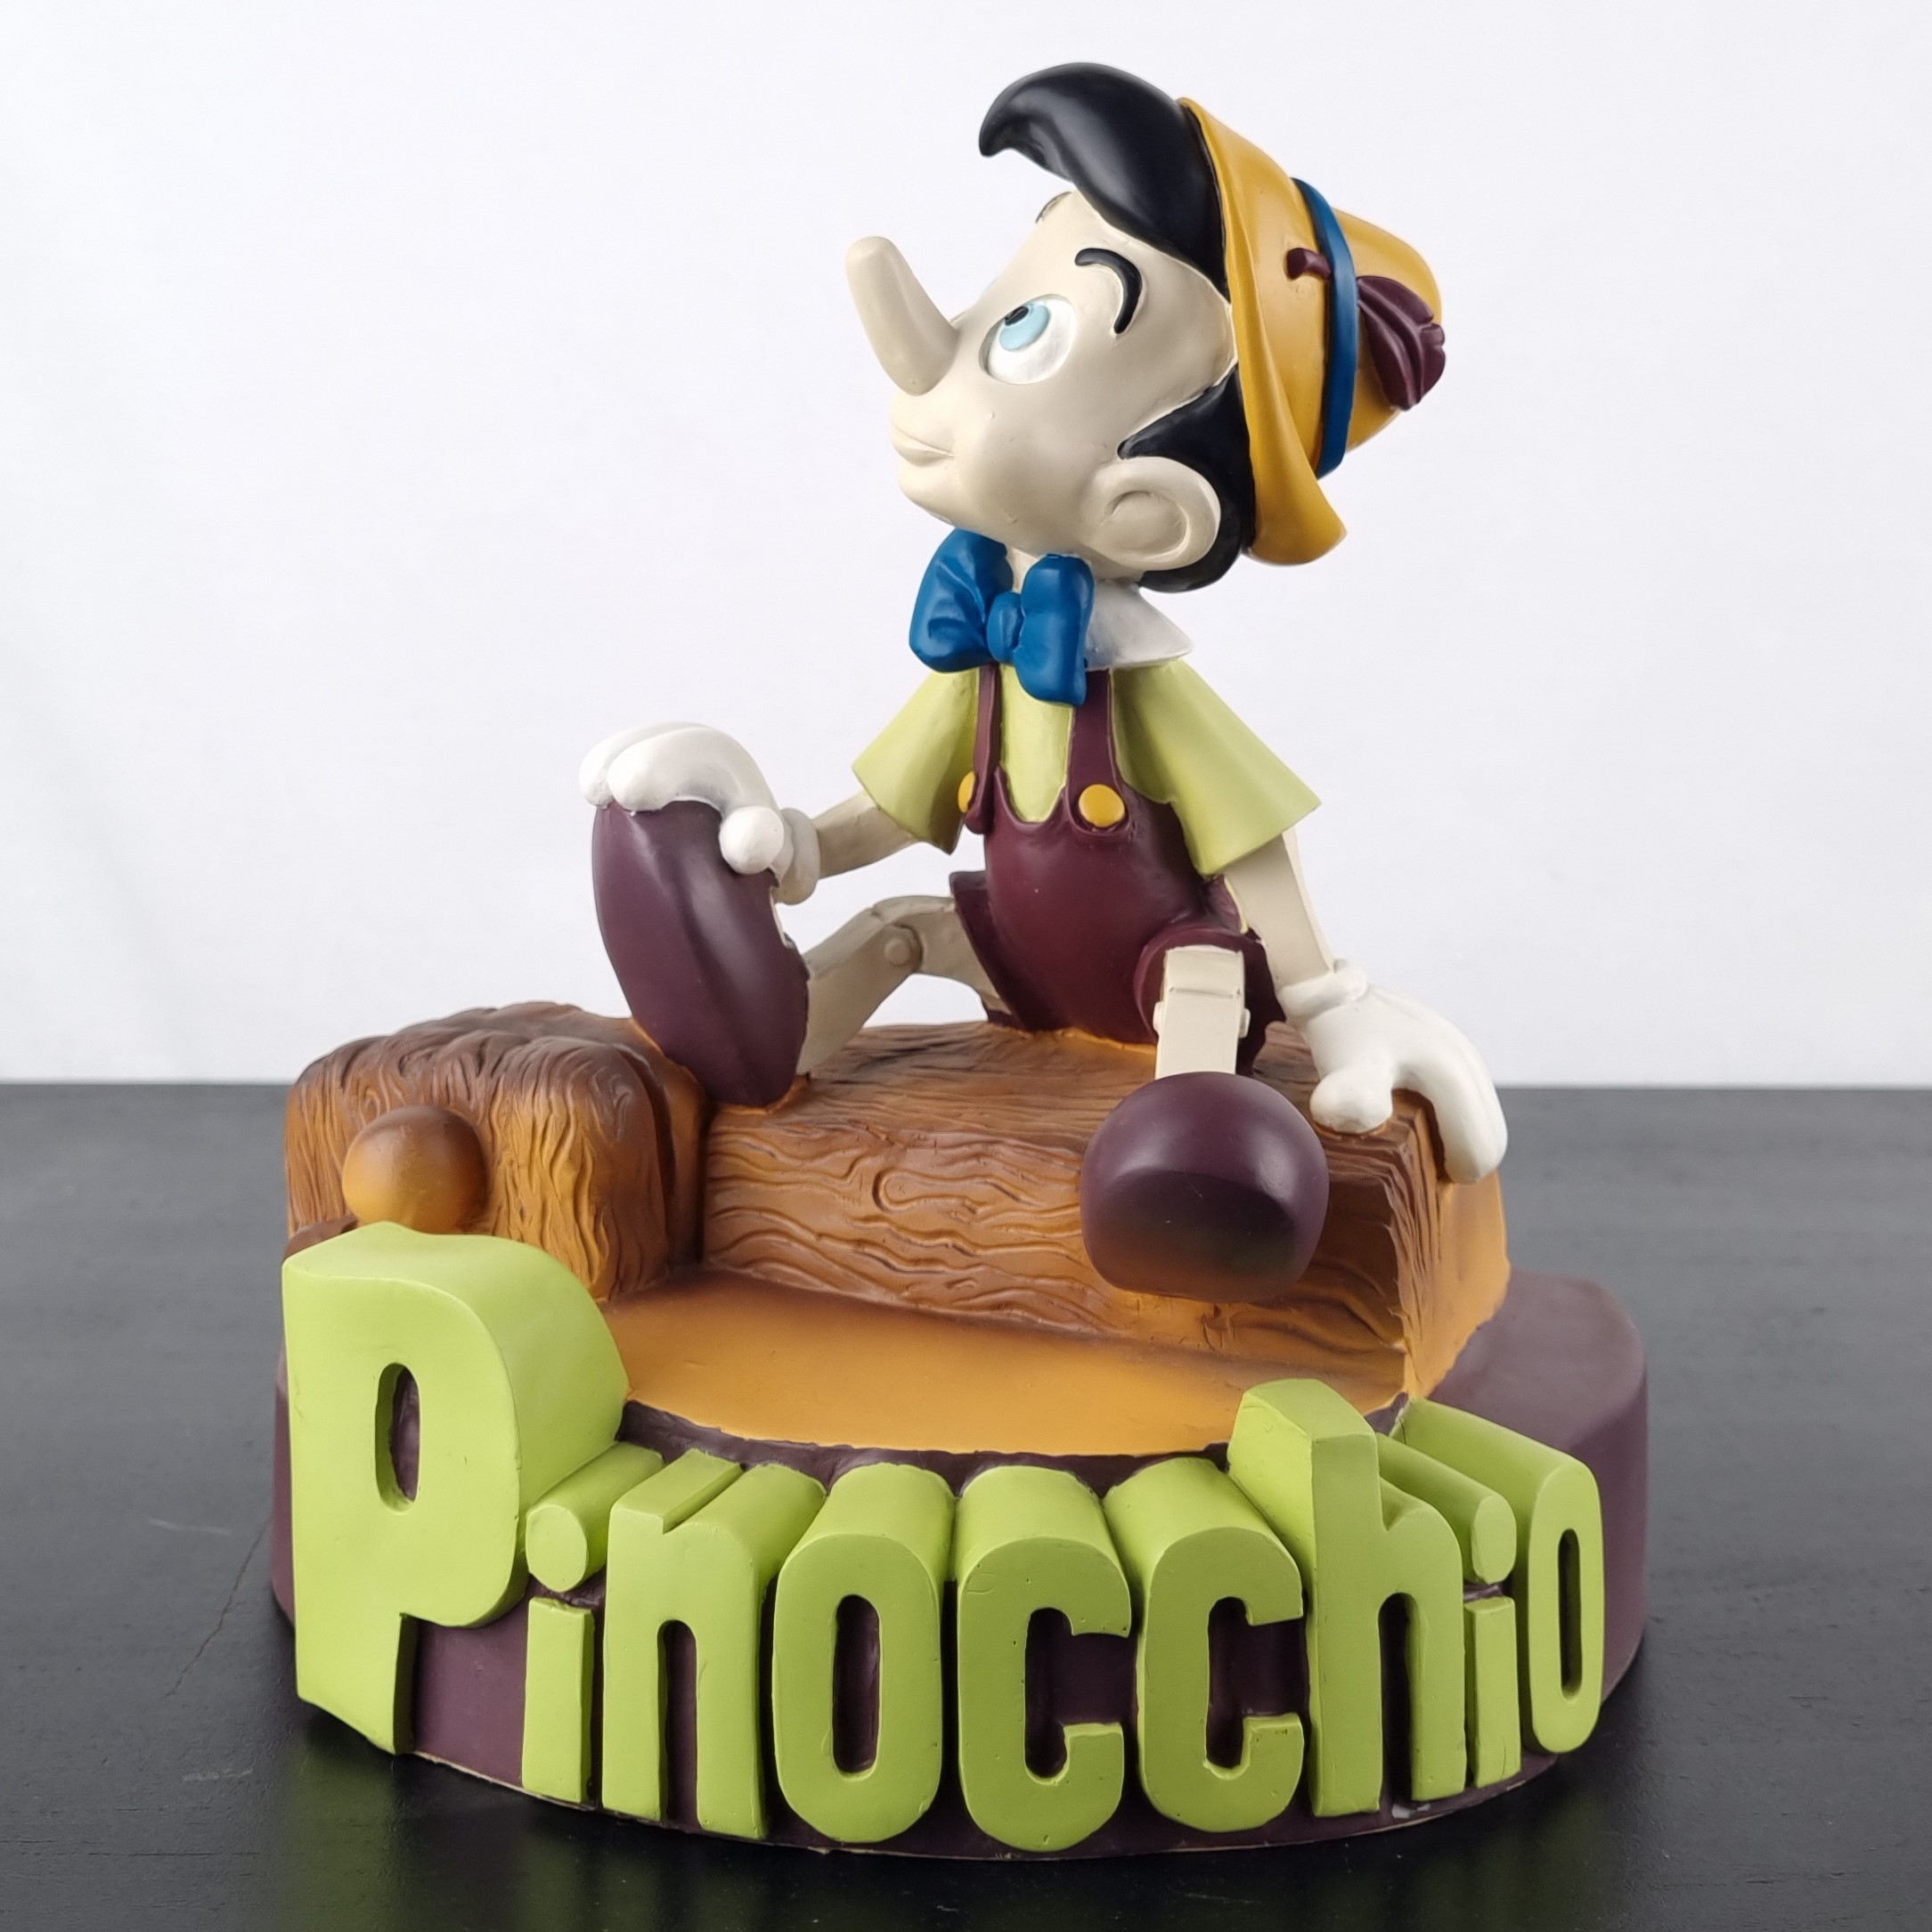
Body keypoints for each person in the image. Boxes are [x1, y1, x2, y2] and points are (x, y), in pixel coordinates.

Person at [582, 63, 1505, 1301]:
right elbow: (900, 807)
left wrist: (1327, 996)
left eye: (1026, 334)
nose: (953, 355)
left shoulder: (1142, 691)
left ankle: (1188, 1177)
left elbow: (1251, 842)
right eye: (1001, 306)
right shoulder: (985, 663)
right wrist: (795, 847)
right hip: (1021, 956)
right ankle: (752, 1045)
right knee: (901, 928)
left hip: (1161, 969)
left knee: (1198, 996)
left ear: (1152, 506)